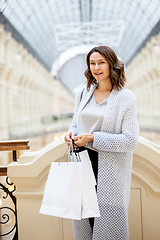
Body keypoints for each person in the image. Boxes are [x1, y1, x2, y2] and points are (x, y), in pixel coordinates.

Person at [64, 45, 139, 240]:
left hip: (109, 169)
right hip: (82, 163)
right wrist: (71, 133)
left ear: (111, 65)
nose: (96, 67)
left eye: (101, 62)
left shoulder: (126, 98)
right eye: (92, 63)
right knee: (85, 220)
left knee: (108, 224)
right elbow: (75, 124)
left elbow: (130, 140)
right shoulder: (82, 94)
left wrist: (93, 138)